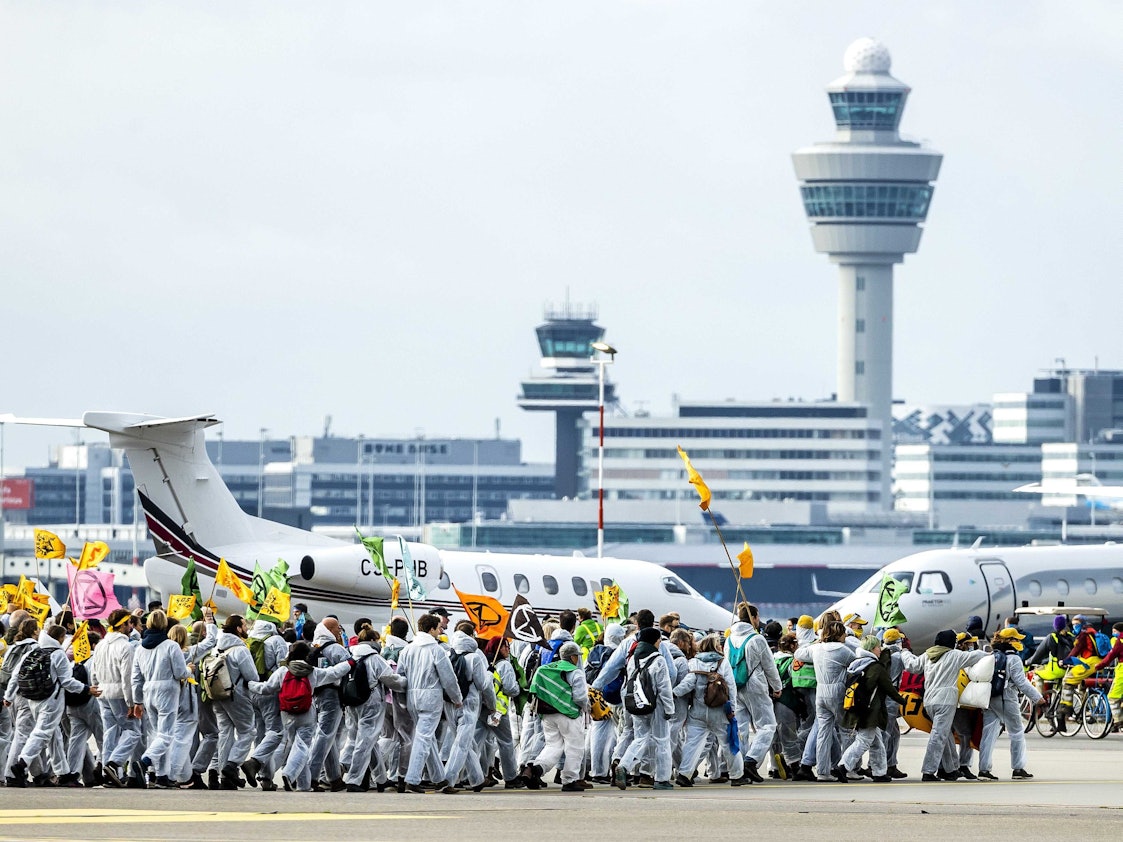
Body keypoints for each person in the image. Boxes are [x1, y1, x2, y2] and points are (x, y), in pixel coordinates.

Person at [249, 640, 356, 792]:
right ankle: (290, 773)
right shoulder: (312, 671)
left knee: (296, 745)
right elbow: (333, 673)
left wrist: (250, 684)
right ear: (307, 655)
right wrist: (349, 663)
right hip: (306, 712)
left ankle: (304, 785)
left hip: (287, 713)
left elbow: (267, 688)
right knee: (302, 747)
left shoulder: (282, 671)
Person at [7, 624, 101, 787]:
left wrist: (8, 696)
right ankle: (21, 763)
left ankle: (63, 773)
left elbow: (16, 675)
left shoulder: (33, 651)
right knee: (43, 733)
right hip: (52, 700)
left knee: (55, 737)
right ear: (60, 638)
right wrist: (86, 689)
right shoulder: (58, 654)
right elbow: (67, 681)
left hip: (33, 699)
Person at [900, 629, 988, 781]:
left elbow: (912, 666)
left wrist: (905, 652)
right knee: (939, 736)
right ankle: (928, 771)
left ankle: (950, 769)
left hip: (929, 701)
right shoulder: (954, 655)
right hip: (945, 701)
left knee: (945, 735)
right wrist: (991, 654)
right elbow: (975, 656)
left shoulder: (927, 654)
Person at [397, 612, 463, 793]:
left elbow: (400, 675)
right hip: (431, 698)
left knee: (428, 739)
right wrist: (456, 698)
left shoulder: (407, 649)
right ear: (432, 629)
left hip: (412, 698)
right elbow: (448, 678)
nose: (439, 632)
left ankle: (439, 780)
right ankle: (412, 779)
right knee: (424, 738)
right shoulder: (436, 650)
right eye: (438, 628)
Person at [674, 633, 745, 786]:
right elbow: (731, 687)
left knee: (691, 744)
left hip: (698, 712)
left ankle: (684, 774)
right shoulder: (723, 663)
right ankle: (737, 775)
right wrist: (732, 709)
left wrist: (673, 693)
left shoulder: (693, 662)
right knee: (729, 743)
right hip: (719, 711)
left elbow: (688, 683)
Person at [131, 609, 190, 788]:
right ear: (165, 624)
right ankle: (144, 762)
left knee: (157, 734)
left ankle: (161, 775)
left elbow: (136, 677)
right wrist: (190, 670)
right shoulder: (171, 646)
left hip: (148, 690)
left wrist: (137, 701)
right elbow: (180, 672)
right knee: (166, 735)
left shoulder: (140, 648)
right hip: (167, 690)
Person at [834, 635, 905, 783]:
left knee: (877, 742)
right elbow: (889, 688)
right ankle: (843, 766)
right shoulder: (876, 667)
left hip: (856, 708)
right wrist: (902, 701)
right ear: (872, 649)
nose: (880, 650)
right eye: (878, 647)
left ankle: (879, 772)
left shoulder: (856, 664)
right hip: (870, 711)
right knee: (864, 741)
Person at [794, 620, 856, 782]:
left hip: (821, 691)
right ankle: (846, 767)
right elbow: (856, 663)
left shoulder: (816, 649)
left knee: (823, 732)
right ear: (839, 634)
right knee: (846, 730)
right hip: (838, 691)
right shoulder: (843, 650)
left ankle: (823, 771)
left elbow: (798, 654)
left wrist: (816, 641)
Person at [978, 628, 1043, 781]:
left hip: (990, 696)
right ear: (1009, 641)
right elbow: (1021, 682)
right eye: (1016, 639)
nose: (1019, 642)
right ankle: (1018, 768)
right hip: (1006, 697)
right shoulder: (1013, 659)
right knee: (1017, 731)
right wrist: (1037, 697)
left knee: (989, 733)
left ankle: (983, 770)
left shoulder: (993, 656)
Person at [614, 627, 675, 791]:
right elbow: (664, 687)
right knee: (662, 741)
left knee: (640, 738)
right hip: (657, 705)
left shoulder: (633, 658)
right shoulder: (659, 659)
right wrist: (669, 709)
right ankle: (662, 779)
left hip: (638, 703)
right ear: (655, 641)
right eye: (659, 640)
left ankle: (624, 765)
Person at [523, 640, 588, 792]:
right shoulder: (575, 672)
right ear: (573, 657)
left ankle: (535, 769)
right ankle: (569, 780)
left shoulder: (545, 669)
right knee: (574, 747)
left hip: (548, 714)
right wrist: (587, 708)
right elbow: (580, 697)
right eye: (577, 656)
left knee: (553, 745)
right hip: (569, 715)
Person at [727, 602, 781, 783]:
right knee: (767, 725)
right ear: (754, 618)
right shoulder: (757, 639)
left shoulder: (729, 639)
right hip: (755, 686)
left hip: (735, 686)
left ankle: (740, 767)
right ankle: (752, 760)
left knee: (741, 728)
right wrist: (777, 686)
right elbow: (769, 666)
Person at [91, 609, 140, 788]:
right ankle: (114, 763)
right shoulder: (125, 647)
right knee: (134, 731)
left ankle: (107, 770)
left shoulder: (102, 644)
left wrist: (95, 686)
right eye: (129, 623)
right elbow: (128, 678)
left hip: (102, 691)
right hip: (119, 693)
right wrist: (132, 703)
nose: (131, 627)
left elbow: (94, 670)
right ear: (124, 625)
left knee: (110, 732)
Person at [210, 614, 260, 789]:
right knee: (248, 732)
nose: (246, 628)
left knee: (225, 733)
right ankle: (232, 766)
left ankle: (225, 779)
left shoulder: (216, 648)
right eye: (244, 625)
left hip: (217, 694)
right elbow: (252, 676)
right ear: (238, 629)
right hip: (236, 694)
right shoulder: (240, 649)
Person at [306, 617, 350, 790]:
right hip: (333, 695)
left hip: (316, 694)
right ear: (331, 629)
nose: (340, 630)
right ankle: (311, 776)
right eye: (338, 628)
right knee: (324, 736)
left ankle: (334, 778)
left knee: (327, 735)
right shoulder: (335, 649)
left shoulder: (313, 647)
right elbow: (349, 668)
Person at [1090, 621, 1123, 729]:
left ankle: (1119, 721)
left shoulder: (1120, 641)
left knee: (1112, 697)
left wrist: (1099, 666)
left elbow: (1111, 656)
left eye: (1115, 631)